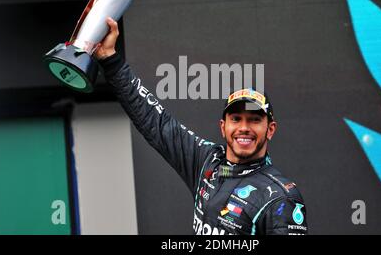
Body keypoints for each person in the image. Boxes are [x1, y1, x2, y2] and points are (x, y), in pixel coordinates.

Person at [94, 17, 308, 235]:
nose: (244, 127)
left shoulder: (281, 198)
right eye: (236, 119)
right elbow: (155, 121)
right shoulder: (207, 162)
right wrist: (110, 59)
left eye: (254, 120)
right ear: (223, 127)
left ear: (270, 129)